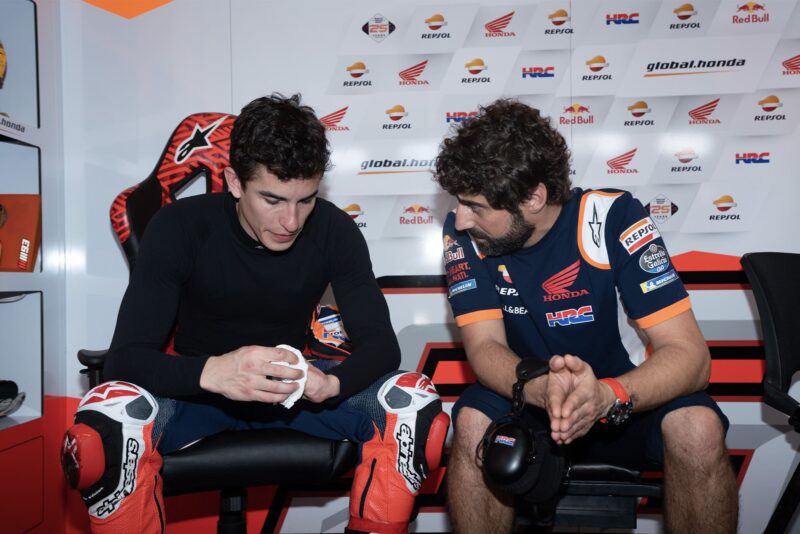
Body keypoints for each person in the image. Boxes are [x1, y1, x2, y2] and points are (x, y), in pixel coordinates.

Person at [61, 94, 449, 534]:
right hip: (197, 396)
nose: (291, 220)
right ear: (234, 182)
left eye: (305, 200)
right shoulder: (179, 227)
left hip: (292, 398)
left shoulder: (334, 229)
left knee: (411, 404)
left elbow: (381, 344)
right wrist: (215, 373)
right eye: (273, 199)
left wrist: (330, 384)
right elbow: (125, 359)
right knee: (108, 420)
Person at [434, 99, 738, 533]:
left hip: (624, 402)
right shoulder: (464, 234)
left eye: (475, 206)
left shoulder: (613, 218)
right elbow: (484, 349)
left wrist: (607, 396)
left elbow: (691, 358)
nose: (460, 218)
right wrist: (543, 390)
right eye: (459, 203)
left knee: (699, 427)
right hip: (529, 398)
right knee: (472, 421)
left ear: (534, 197)